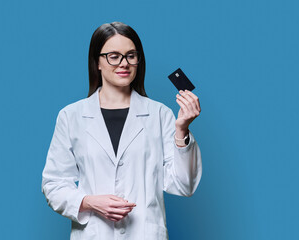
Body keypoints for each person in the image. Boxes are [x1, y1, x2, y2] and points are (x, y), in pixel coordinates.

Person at [41, 21, 202, 240]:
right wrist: (89, 202)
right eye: (114, 56)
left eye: (131, 55)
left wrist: (182, 130)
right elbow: (53, 184)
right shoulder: (71, 116)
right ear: (97, 62)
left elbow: (184, 185)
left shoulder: (160, 114)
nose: (124, 63)